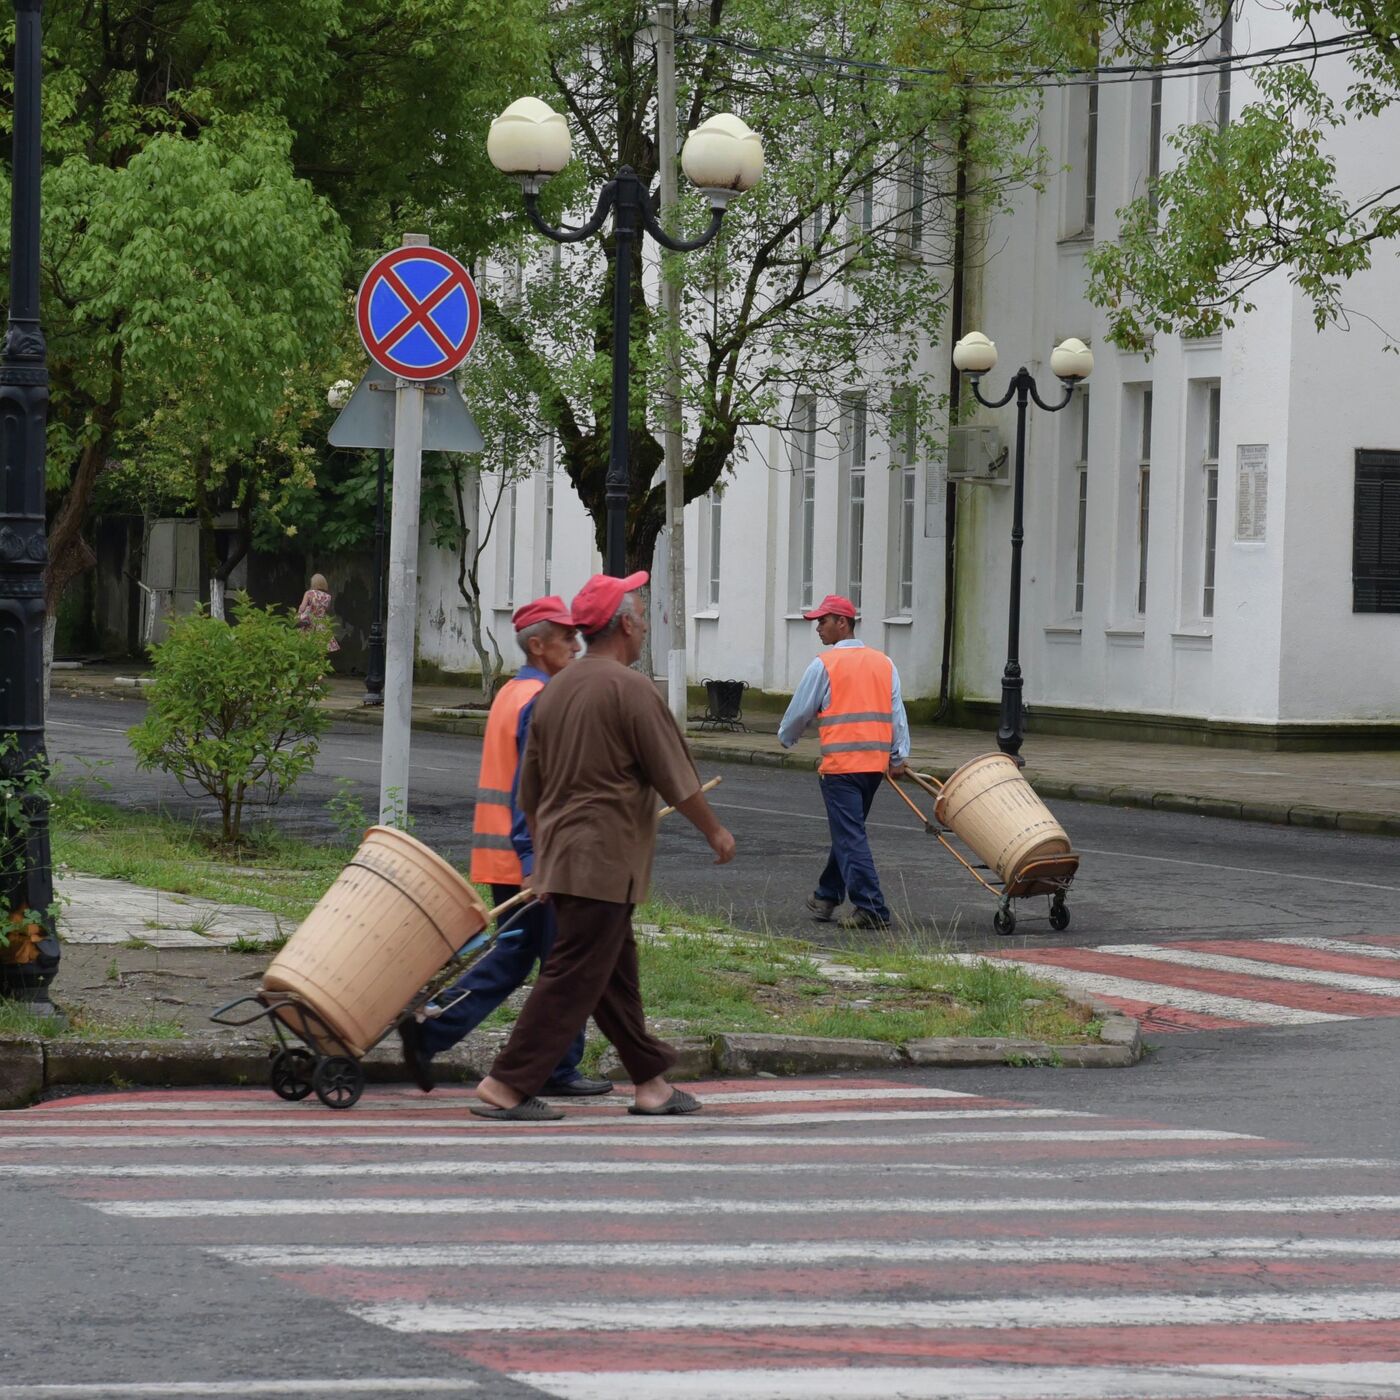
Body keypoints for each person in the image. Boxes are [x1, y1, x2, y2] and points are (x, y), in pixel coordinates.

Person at [471, 571, 736, 1123]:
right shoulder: (630, 689)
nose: (645, 628)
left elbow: (530, 790)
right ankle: (506, 1084)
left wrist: (540, 858)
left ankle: (651, 1082)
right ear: (623, 626)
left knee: (613, 974)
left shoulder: (555, 688)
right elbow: (677, 777)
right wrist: (714, 830)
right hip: (605, 862)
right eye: (641, 619)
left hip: (567, 859)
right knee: (571, 976)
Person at [397, 596, 614, 1098]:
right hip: (532, 859)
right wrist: (535, 860)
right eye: (565, 638)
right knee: (566, 962)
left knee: (518, 957)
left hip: (505, 856)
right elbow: (529, 787)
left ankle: (436, 1033)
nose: (577, 644)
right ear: (538, 645)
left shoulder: (512, 692)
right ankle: (556, 1067)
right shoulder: (539, 700)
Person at [778, 593, 910, 931]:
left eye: (823, 621)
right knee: (849, 832)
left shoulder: (824, 664)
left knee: (850, 836)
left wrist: (787, 737)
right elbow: (897, 714)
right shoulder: (885, 663)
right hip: (874, 769)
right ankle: (827, 895)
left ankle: (871, 907)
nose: (819, 628)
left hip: (841, 768)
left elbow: (800, 711)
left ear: (843, 623)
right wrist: (898, 756)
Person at [295, 573, 340, 653]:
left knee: (307, 648)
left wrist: (299, 613)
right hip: (322, 625)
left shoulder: (309, 593)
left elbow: (302, 608)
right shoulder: (328, 597)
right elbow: (326, 610)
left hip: (308, 623)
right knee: (321, 649)